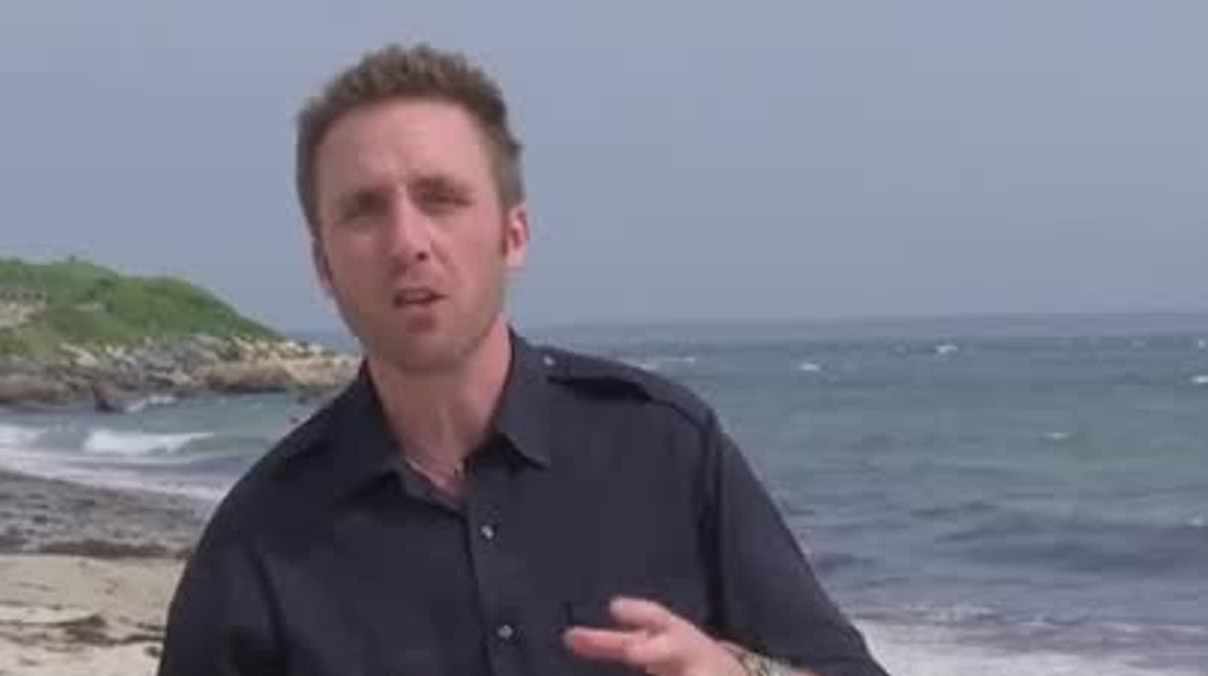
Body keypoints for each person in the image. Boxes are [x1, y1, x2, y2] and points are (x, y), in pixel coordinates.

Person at [156, 43, 889, 676]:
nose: (408, 241)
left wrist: (737, 671)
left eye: (441, 198)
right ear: (324, 265)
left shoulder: (666, 449)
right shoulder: (259, 540)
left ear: (514, 236)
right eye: (365, 209)